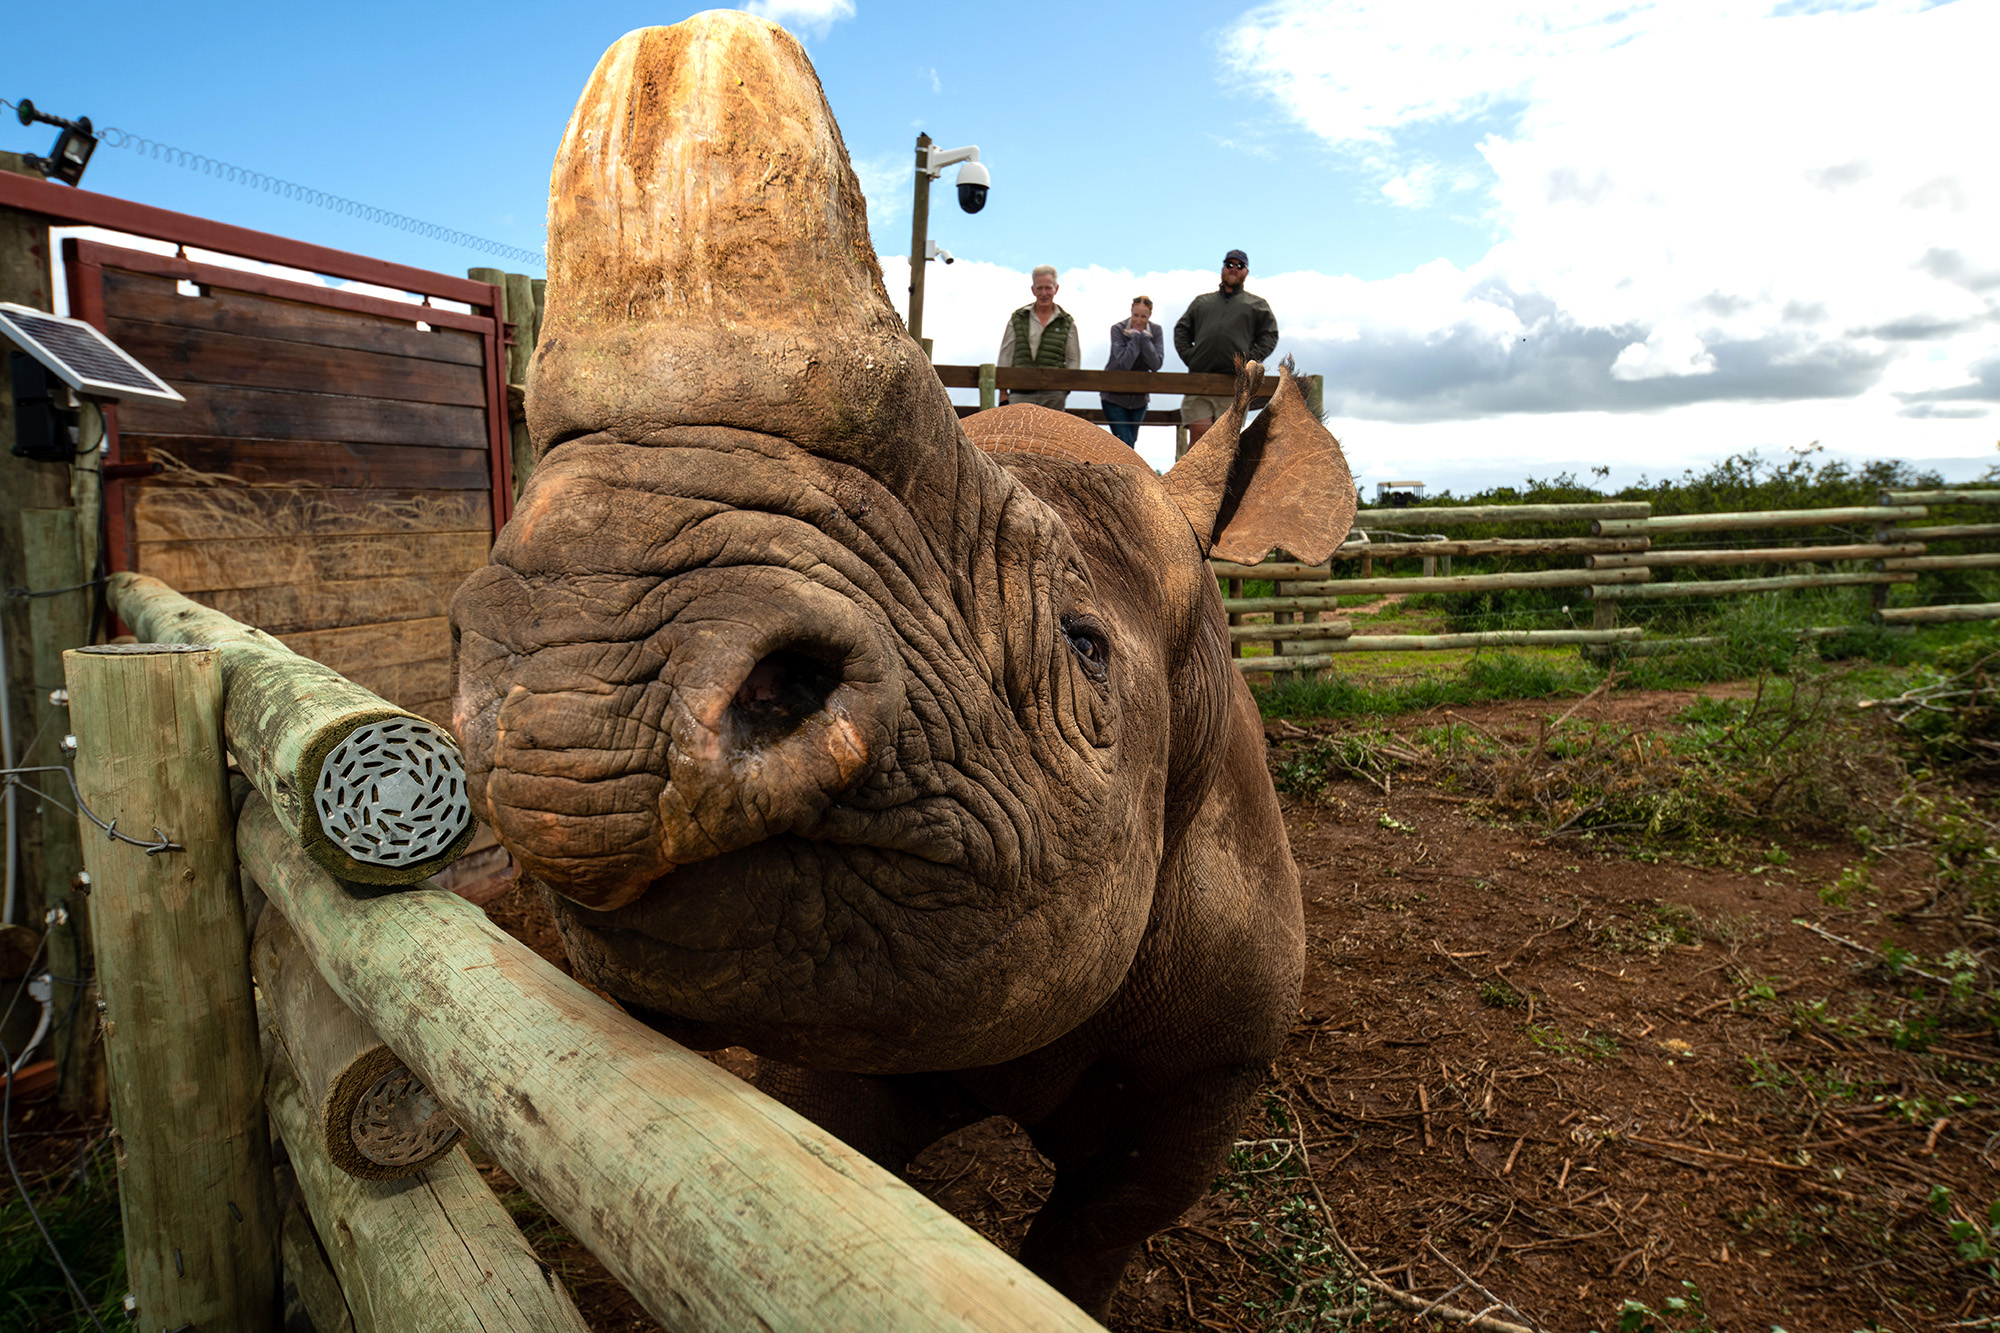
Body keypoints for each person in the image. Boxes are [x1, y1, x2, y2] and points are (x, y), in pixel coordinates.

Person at [1173, 248, 1278, 447]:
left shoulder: (1257, 305)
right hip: (1199, 380)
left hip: (1234, 383)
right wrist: (1191, 357)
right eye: (1229, 264)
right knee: (1199, 436)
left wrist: (1248, 360)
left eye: (1240, 265)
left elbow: (1269, 335)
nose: (1234, 268)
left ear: (1246, 272)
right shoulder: (1201, 302)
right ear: (1223, 268)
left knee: (1225, 442)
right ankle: (1192, 470)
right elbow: (1181, 330)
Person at [996, 265, 1081, 409]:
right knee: (1016, 424)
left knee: (1052, 425)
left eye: (1048, 288)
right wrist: (1003, 391)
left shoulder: (1066, 321)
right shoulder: (1018, 318)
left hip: (1054, 393)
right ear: (1033, 290)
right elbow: (1006, 354)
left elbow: (1073, 359)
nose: (1044, 293)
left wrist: (1064, 390)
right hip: (1020, 390)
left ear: (1056, 289)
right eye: (1039, 288)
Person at [1100, 296, 1163, 446]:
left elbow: (1156, 364)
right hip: (1114, 397)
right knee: (1124, 443)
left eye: (1143, 317)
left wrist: (1145, 339)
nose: (1138, 320)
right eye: (1135, 315)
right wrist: (1135, 337)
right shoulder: (1118, 329)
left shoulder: (1156, 330)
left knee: (1130, 443)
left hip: (1139, 399)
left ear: (1150, 315)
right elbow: (1124, 364)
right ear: (1131, 312)